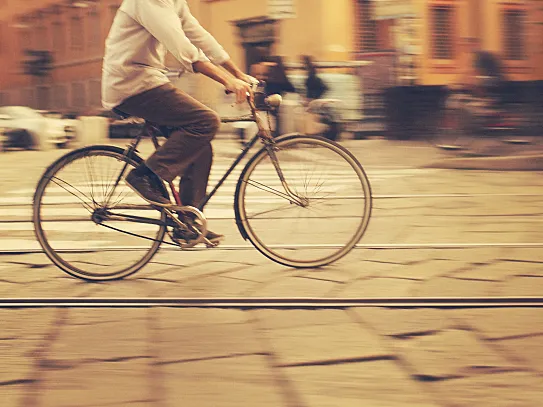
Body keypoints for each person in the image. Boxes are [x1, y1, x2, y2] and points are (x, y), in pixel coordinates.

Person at [102, 0, 256, 243]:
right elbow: (183, 47)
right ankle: (145, 175)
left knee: (200, 146)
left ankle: (186, 224)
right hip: (131, 84)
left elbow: (199, 35)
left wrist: (237, 73)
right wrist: (226, 80)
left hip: (147, 81)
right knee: (205, 121)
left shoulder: (174, 2)